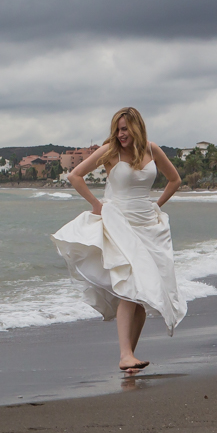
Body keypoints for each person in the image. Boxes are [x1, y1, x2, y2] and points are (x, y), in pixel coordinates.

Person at [51, 107, 184, 374]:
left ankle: (130, 356)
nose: (121, 134)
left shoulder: (152, 150)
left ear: (136, 127)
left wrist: (156, 205)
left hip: (148, 226)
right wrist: (96, 205)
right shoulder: (110, 151)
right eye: (118, 129)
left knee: (142, 297)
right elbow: (74, 176)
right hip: (120, 223)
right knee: (129, 289)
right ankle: (125, 355)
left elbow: (175, 180)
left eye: (125, 129)